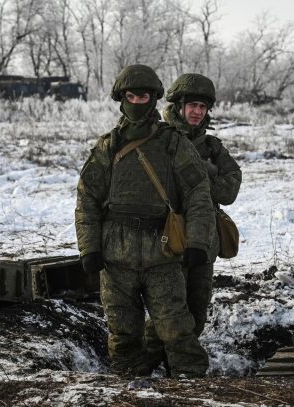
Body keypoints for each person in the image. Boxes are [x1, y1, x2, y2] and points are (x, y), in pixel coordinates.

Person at [75, 64, 215, 378]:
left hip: (163, 253)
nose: (138, 102)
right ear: (121, 98)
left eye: (144, 96)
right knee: (123, 334)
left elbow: (198, 194)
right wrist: (89, 249)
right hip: (116, 256)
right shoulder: (107, 147)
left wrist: (197, 242)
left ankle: (194, 390)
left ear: (154, 99)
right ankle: (129, 386)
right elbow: (87, 199)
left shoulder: (173, 143)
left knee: (177, 331)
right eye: (131, 95)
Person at [144, 73, 242, 374]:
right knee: (168, 313)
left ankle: (174, 372)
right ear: (179, 105)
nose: (197, 112)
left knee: (197, 312)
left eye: (203, 106)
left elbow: (230, 188)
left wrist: (198, 181)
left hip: (205, 241)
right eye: (192, 105)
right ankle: (142, 369)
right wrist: (203, 178)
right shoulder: (159, 139)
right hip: (168, 239)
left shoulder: (212, 147)